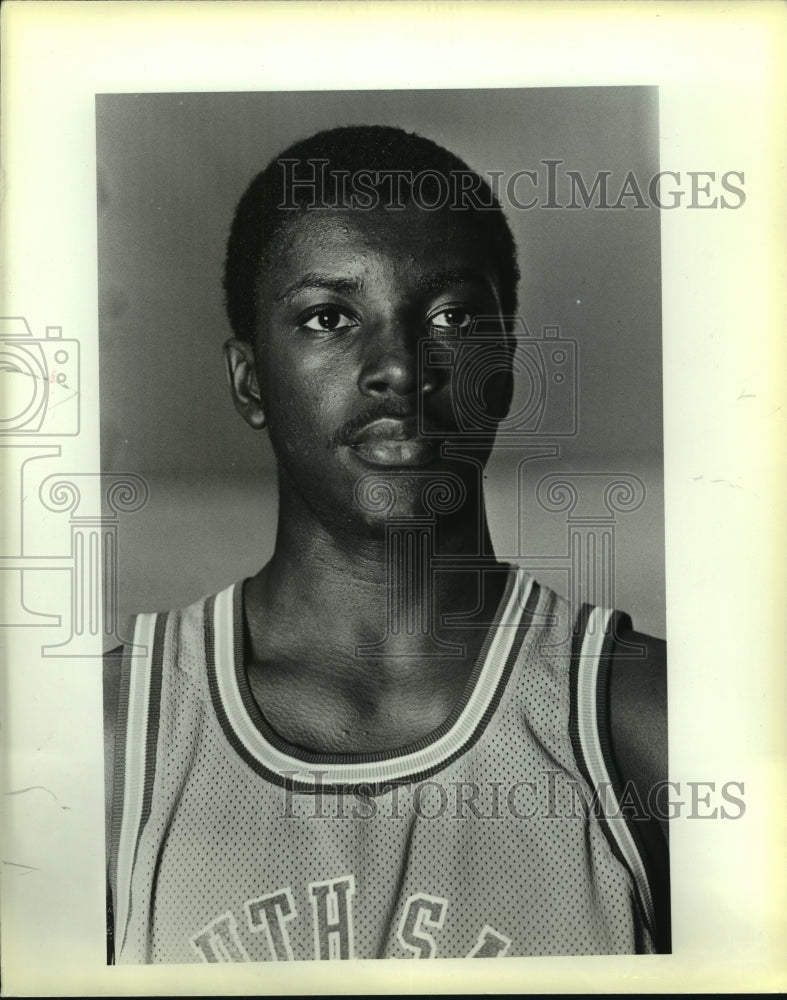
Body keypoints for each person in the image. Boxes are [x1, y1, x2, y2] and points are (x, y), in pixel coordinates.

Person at [103, 125, 669, 964]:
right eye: (329, 317)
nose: (399, 369)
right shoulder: (115, 740)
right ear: (249, 379)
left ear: (505, 364)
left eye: (448, 315)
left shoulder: (642, 721)